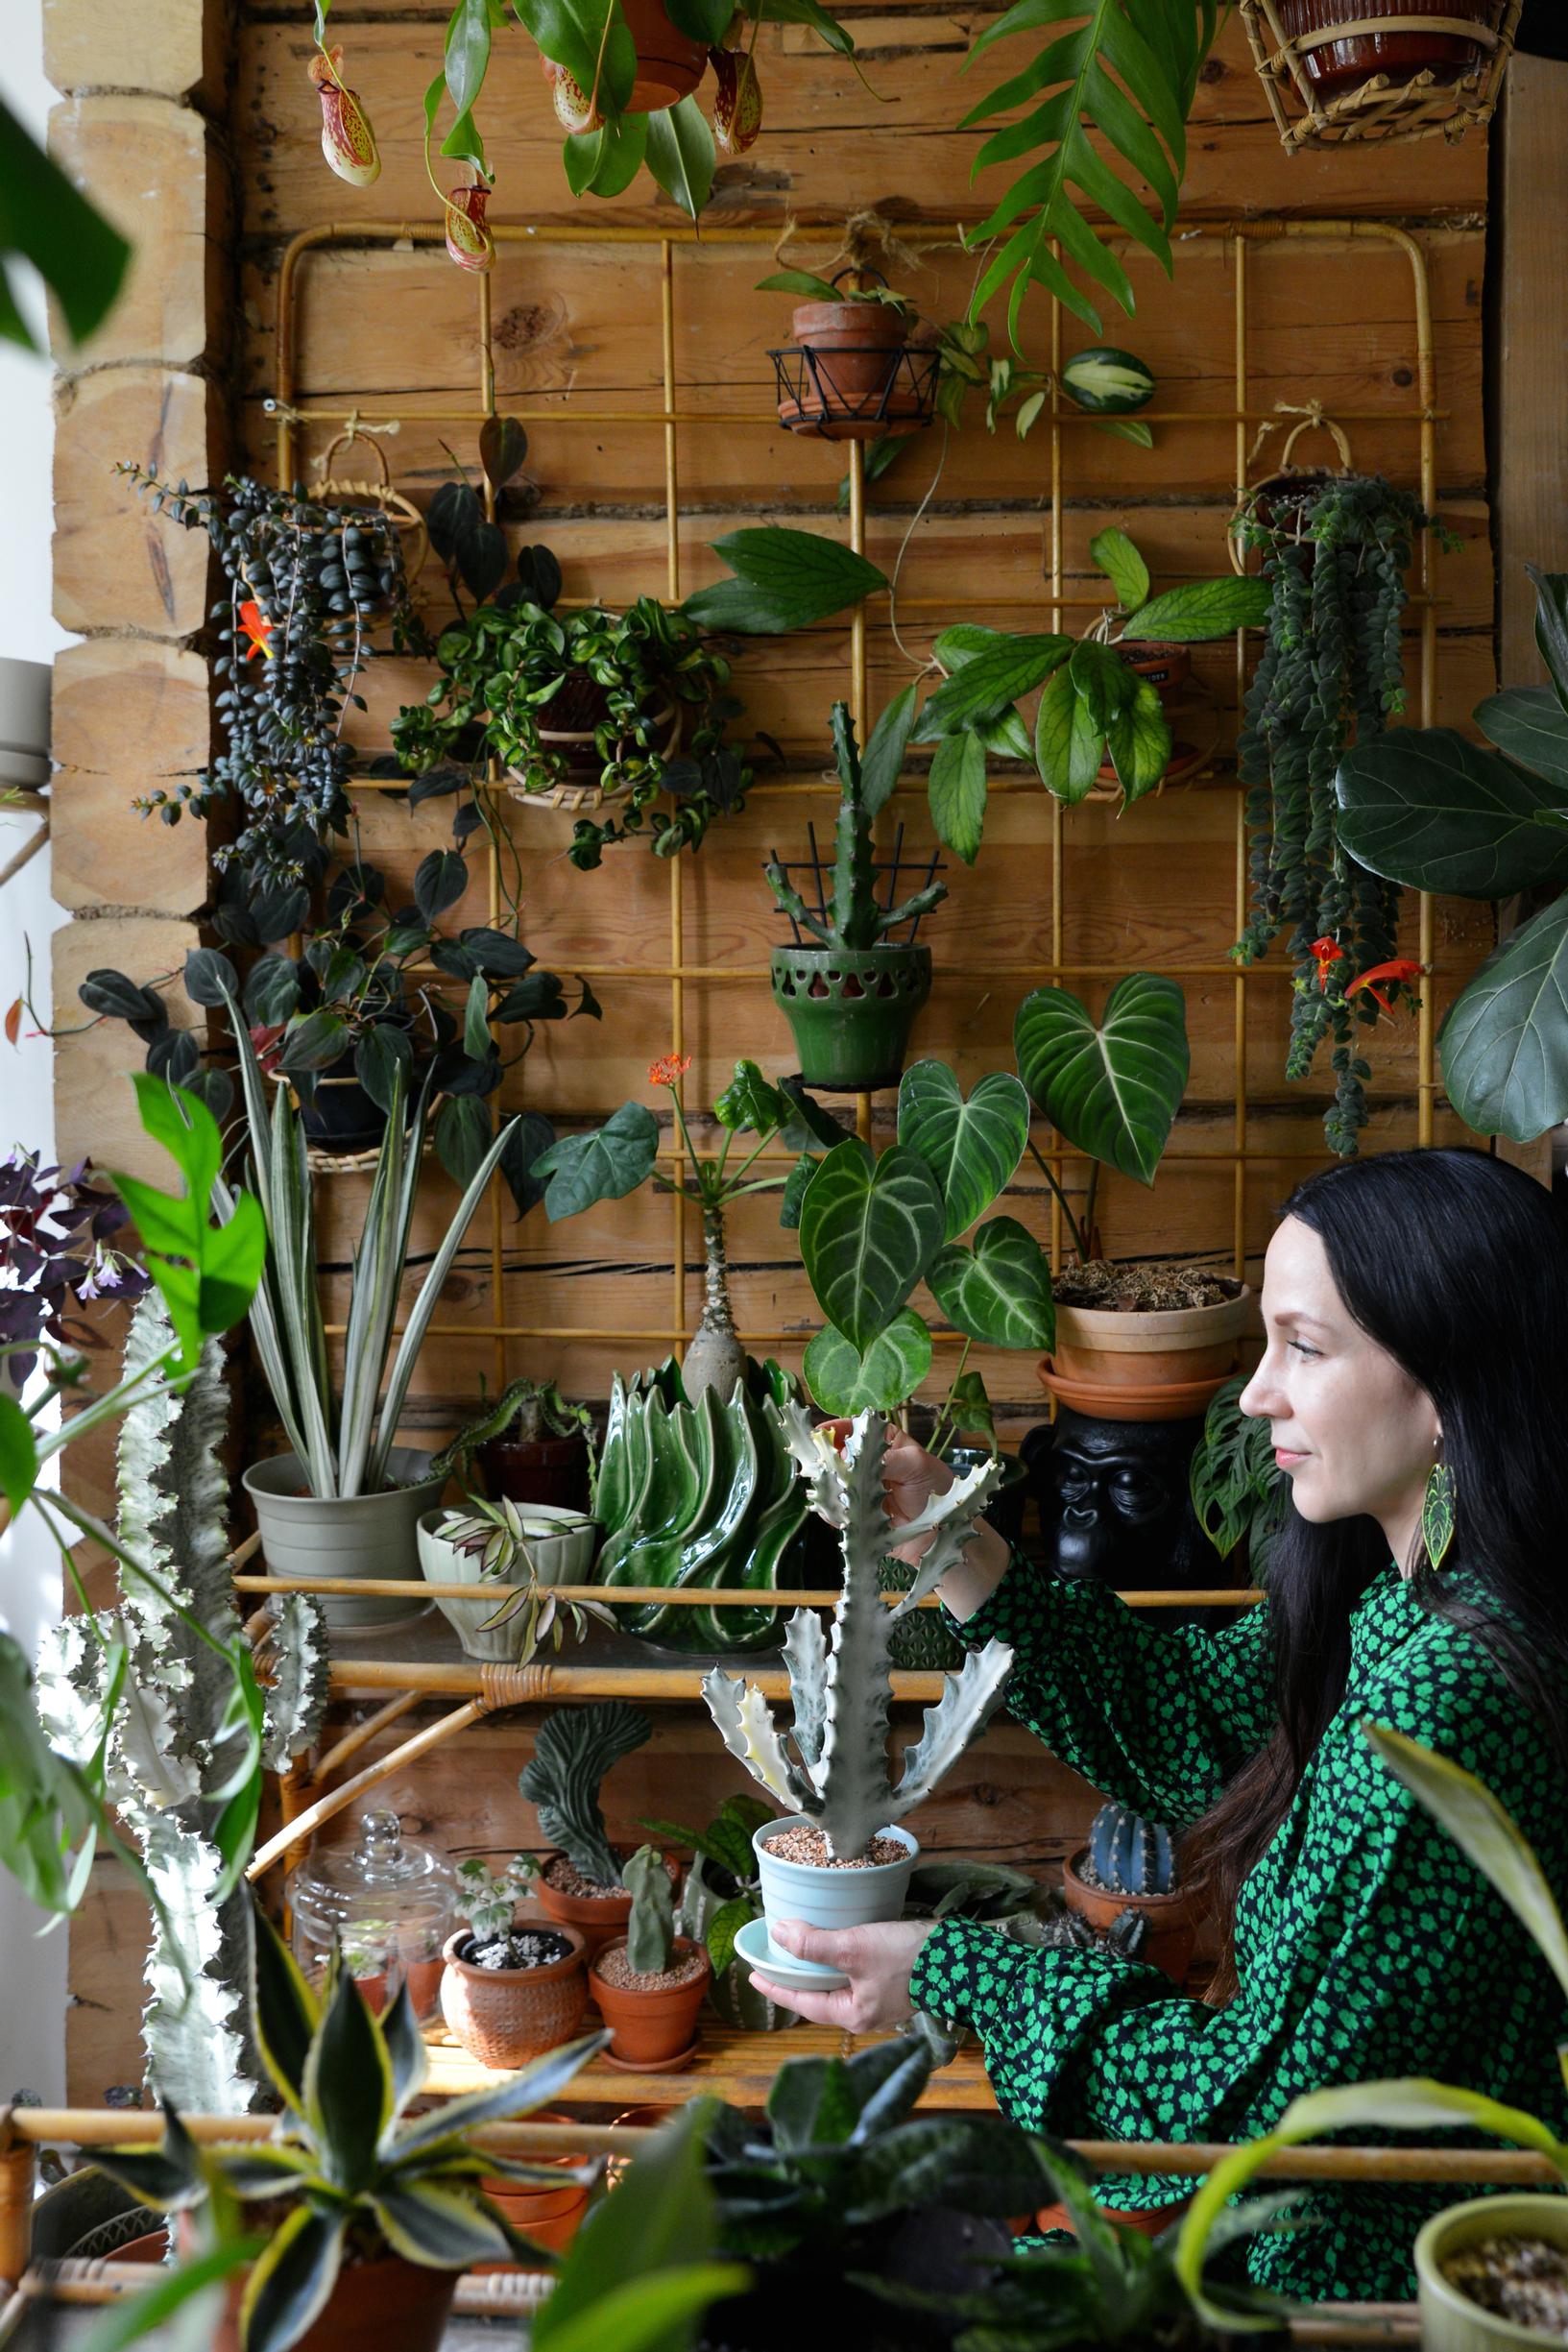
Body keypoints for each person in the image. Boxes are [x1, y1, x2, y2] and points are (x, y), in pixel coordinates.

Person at [748, 1148, 1568, 2301]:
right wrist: (952, 1534)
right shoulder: (1410, 1591)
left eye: (1305, 1346)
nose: (1253, 1392)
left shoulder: (1447, 1695)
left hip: (1379, 2294)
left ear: (1446, 1387)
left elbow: (1255, 2106)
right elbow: (1183, 1718)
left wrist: (962, 1972)